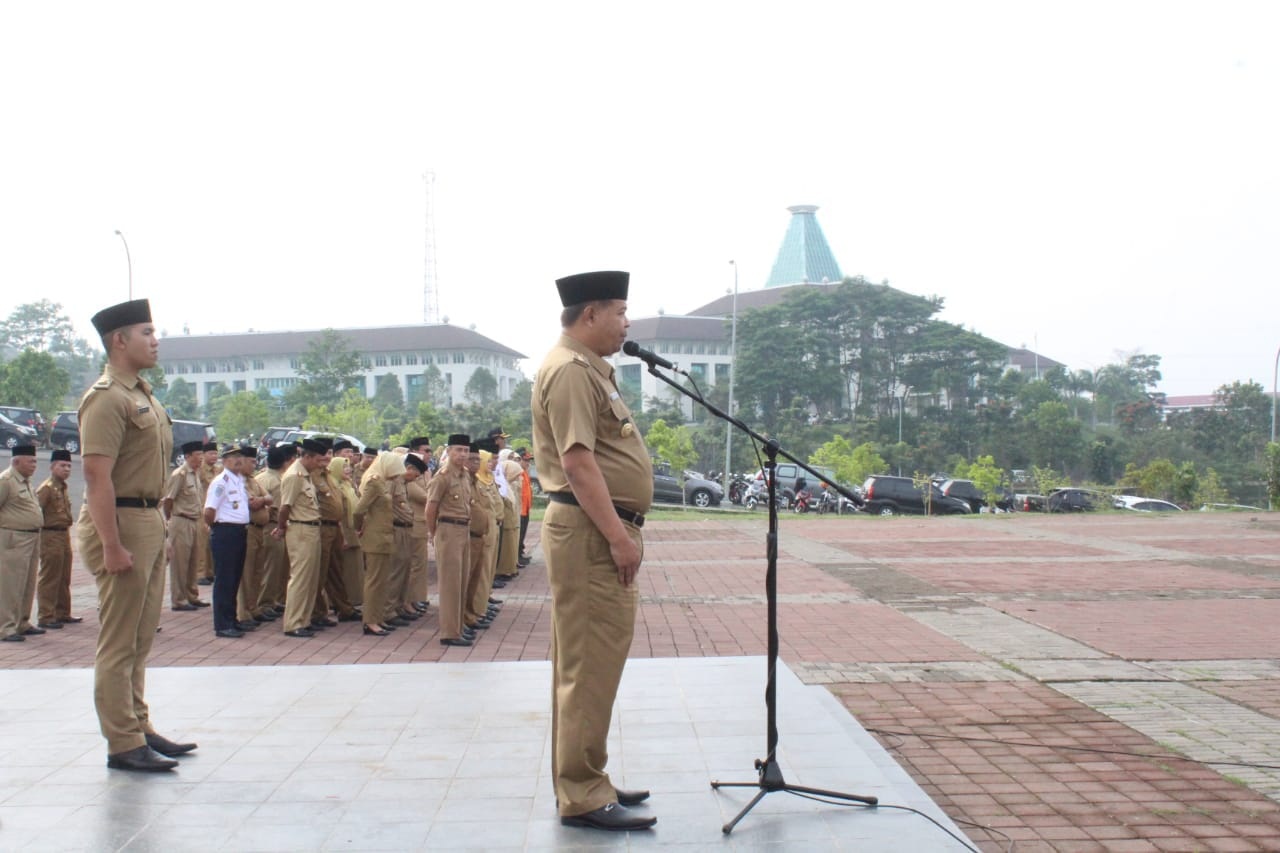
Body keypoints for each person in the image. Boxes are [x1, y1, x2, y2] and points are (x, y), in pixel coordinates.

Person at [532, 271, 656, 830]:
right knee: (587, 666)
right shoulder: (569, 372)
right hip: (588, 534)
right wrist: (618, 537)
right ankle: (581, 792)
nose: (627, 323)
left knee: (592, 664)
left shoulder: (588, 371)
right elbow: (579, 463)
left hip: (591, 530)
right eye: (620, 312)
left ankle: (589, 776)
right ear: (590, 315)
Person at [79, 298, 195, 771]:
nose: (156, 340)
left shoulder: (143, 395)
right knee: (120, 640)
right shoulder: (107, 397)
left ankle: (139, 724)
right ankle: (122, 742)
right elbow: (95, 477)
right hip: (121, 521)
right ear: (119, 340)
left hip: (147, 518)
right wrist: (110, 544)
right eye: (146, 332)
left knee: (141, 637)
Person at [274, 438, 328, 637]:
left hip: (312, 529)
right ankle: (293, 623)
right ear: (306, 457)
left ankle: (304, 619)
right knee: (300, 578)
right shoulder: (295, 476)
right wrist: (281, 528)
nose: (319, 464)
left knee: (311, 578)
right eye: (317, 460)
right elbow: (285, 507)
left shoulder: (306, 475)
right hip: (301, 530)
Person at [425, 433, 473, 647]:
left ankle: (458, 627)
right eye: (458, 450)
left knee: (462, 582)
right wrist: (434, 533)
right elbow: (430, 508)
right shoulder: (442, 476)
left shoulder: (465, 475)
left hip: (464, 530)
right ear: (449, 451)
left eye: (465, 450)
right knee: (450, 584)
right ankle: (449, 633)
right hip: (448, 529)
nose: (463, 454)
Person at [353, 446, 404, 636]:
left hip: (384, 536)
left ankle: (378, 617)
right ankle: (370, 621)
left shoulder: (382, 481)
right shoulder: (374, 482)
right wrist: (359, 528)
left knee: (382, 581)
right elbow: (359, 510)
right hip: (375, 537)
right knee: (374, 581)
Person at [203, 445, 251, 638]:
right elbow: (208, 511)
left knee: (234, 578)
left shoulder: (239, 480)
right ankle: (222, 624)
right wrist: (216, 528)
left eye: (240, 456)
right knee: (224, 579)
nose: (238, 460)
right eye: (232, 457)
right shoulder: (220, 482)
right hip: (225, 531)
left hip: (239, 531)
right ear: (225, 460)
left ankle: (232, 619)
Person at [0, 444, 42, 643]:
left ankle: (22, 622)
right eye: (30, 461)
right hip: (13, 538)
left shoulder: (26, 481)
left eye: (35, 461)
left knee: (27, 582)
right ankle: (5, 627)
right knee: (11, 584)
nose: (34, 464)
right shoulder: (6, 481)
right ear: (16, 461)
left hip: (32, 537)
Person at [36, 448, 80, 630]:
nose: (67, 469)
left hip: (64, 534)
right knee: (50, 576)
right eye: (62, 465)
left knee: (64, 576)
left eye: (69, 466)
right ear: (53, 466)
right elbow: (37, 513)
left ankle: (62, 612)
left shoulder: (62, 487)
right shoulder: (46, 488)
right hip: (50, 534)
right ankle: (46, 615)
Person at [163, 440, 208, 612]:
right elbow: (168, 500)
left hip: (195, 521)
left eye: (201, 455)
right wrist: (170, 520)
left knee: (193, 561)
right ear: (188, 456)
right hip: (181, 521)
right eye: (198, 455)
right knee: (180, 563)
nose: (201, 458)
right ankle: (179, 599)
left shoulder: (195, 474)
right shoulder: (179, 475)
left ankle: (192, 595)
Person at [516, 448, 533, 567]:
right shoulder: (517, 472)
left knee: (523, 533)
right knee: (518, 534)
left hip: (526, 507)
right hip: (520, 508)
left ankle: (520, 553)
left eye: (528, 460)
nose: (528, 463)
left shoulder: (525, 472)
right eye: (525, 460)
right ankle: (517, 556)